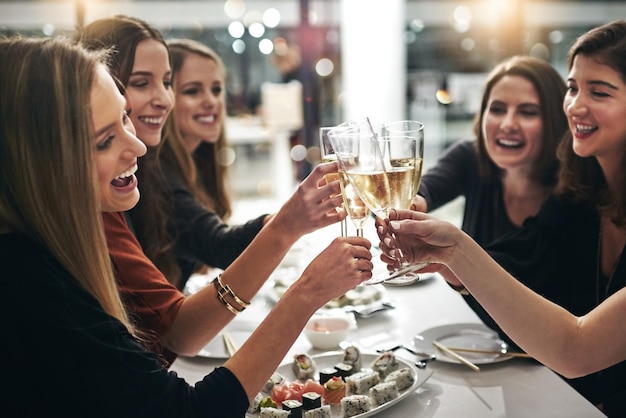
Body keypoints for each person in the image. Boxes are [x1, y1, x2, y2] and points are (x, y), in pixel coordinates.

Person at [1, 36, 373, 416]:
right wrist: (307, 292)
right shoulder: (32, 280)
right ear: (40, 164)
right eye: (104, 141)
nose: (139, 148)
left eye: (124, 117)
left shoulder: (65, 236)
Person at [379, 20, 626, 416]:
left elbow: (577, 349)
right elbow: (525, 258)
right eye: (573, 88)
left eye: (598, 92)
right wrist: (445, 254)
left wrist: (455, 251)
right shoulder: (583, 193)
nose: (575, 107)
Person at [78, 15, 349, 366]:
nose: (163, 99)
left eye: (168, 83)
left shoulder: (177, 165)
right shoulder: (122, 192)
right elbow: (180, 328)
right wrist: (288, 226)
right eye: (141, 83)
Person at [412, 55, 568, 248]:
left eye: (528, 112)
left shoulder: (575, 186)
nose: (508, 124)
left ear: (555, 119)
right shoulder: (470, 156)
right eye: (497, 109)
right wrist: (409, 204)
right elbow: (425, 189)